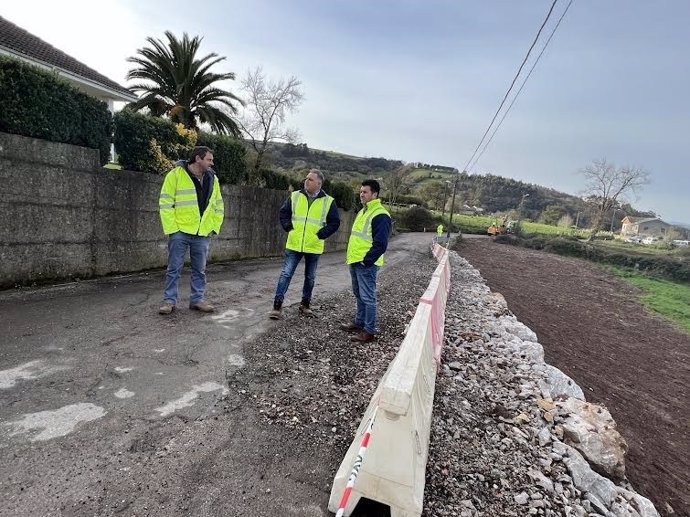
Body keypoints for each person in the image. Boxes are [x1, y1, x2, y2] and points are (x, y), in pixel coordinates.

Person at [158, 146, 224, 315]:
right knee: (174, 268)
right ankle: (169, 301)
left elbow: (218, 205)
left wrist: (213, 227)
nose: (212, 163)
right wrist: (172, 228)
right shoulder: (175, 175)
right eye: (209, 159)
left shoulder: (213, 179)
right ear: (198, 159)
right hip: (180, 230)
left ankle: (197, 300)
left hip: (202, 233)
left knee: (200, 270)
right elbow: (165, 203)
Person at [269, 169, 340, 319]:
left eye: (310, 179)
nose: (306, 181)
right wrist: (289, 227)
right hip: (294, 243)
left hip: (313, 245)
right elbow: (284, 213)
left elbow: (335, 223)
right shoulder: (295, 196)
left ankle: (305, 304)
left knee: (310, 277)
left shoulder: (329, 201)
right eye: (306, 178)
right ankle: (277, 306)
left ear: (319, 183)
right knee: (286, 274)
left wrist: (321, 235)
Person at [340, 179, 391, 343]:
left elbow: (381, 244)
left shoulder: (380, 214)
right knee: (358, 294)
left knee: (368, 297)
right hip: (355, 261)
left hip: (365, 264)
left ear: (374, 194)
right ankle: (359, 322)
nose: (361, 194)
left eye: (365, 192)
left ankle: (369, 331)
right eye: (360, 191)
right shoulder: (363, 211)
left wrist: (366, 261)